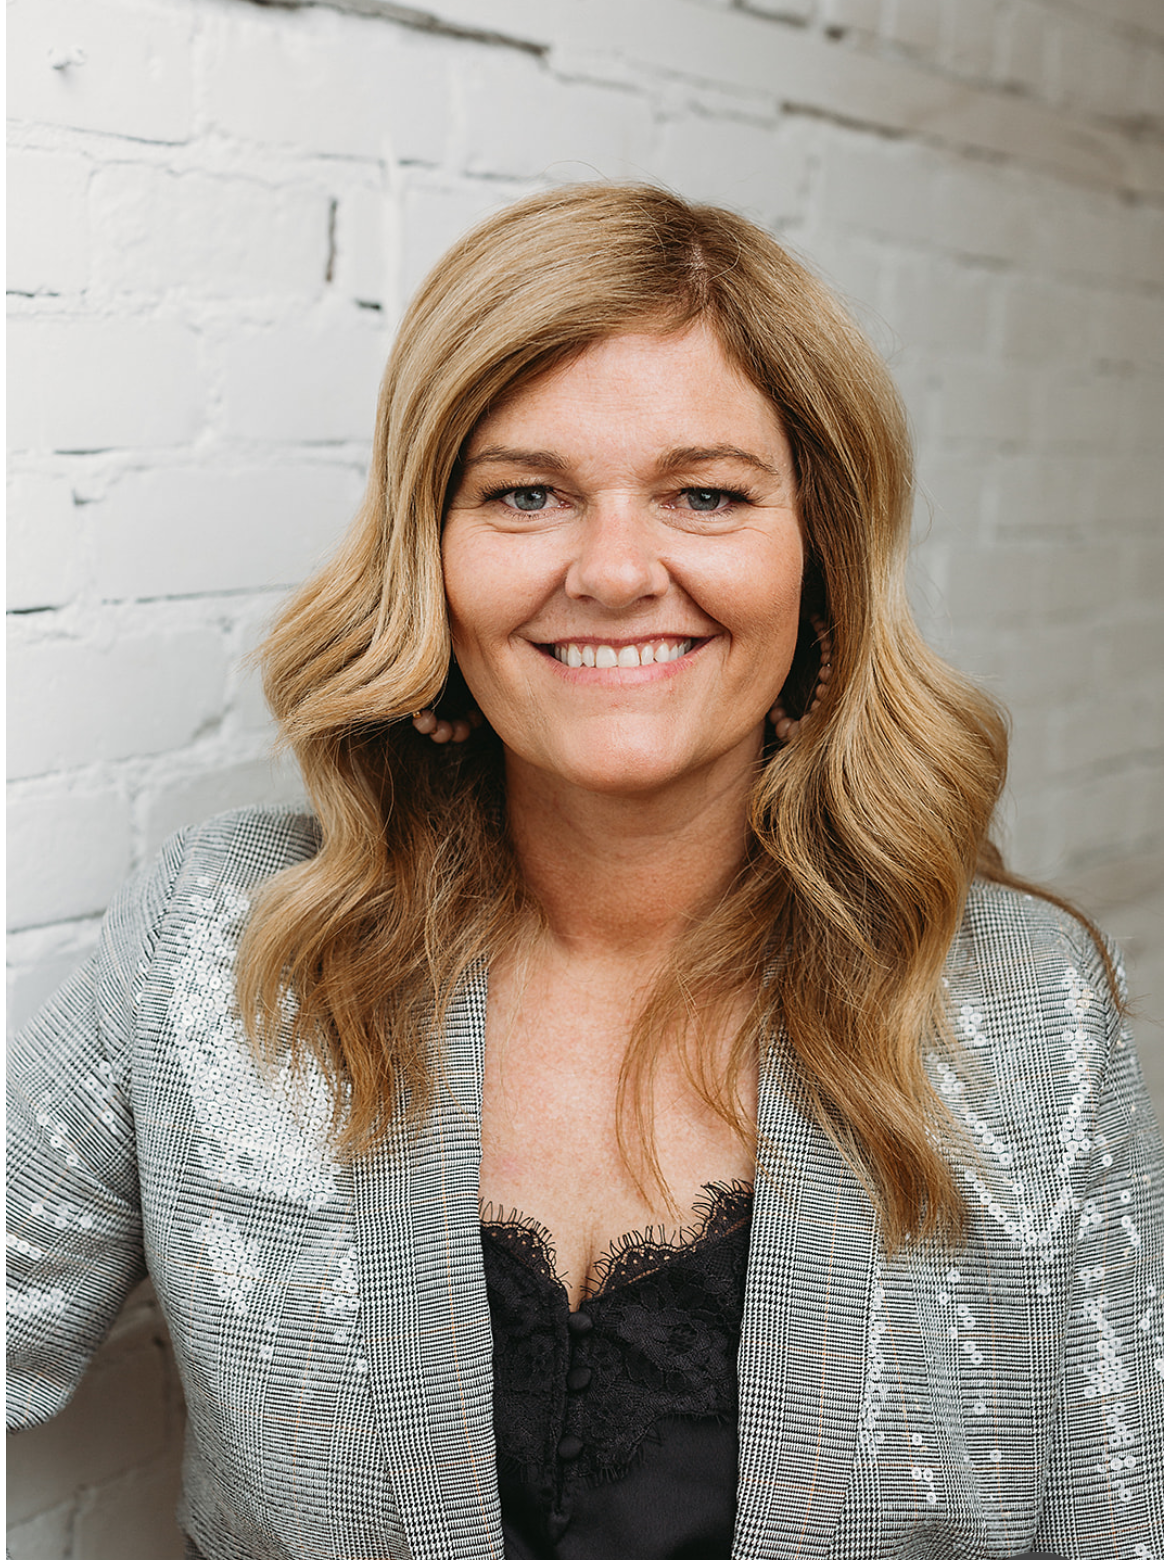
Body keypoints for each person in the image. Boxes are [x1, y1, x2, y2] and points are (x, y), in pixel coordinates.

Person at [7, 184, 1161, 1560]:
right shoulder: (219, 949)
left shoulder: (1016, 1009)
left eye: (706, 494)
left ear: (821, 558)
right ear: (429, 557)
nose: (615, 570)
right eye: (527, 494)